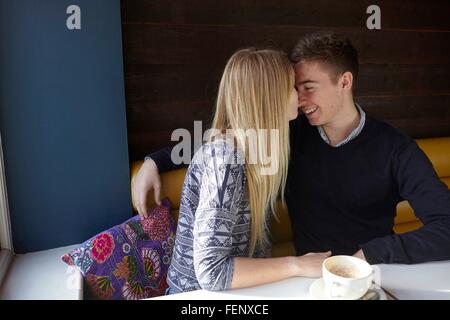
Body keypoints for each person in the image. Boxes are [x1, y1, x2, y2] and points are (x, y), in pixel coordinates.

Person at [134, 32, 450, 266]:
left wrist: (374, 252)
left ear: (344, 82)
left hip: (374, 274)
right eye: (294, 89)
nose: (298, 100)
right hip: (305, 283)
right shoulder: (290, 134)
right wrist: (154, 161)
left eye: (308, 88)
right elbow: (227, 141)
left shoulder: (395, 149)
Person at [156, 48, 330, 293]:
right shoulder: (225, 160)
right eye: (293, 87)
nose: (301, 97)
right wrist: (297, 265)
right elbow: (211, 272)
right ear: (269, 98)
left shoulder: (256, 149)